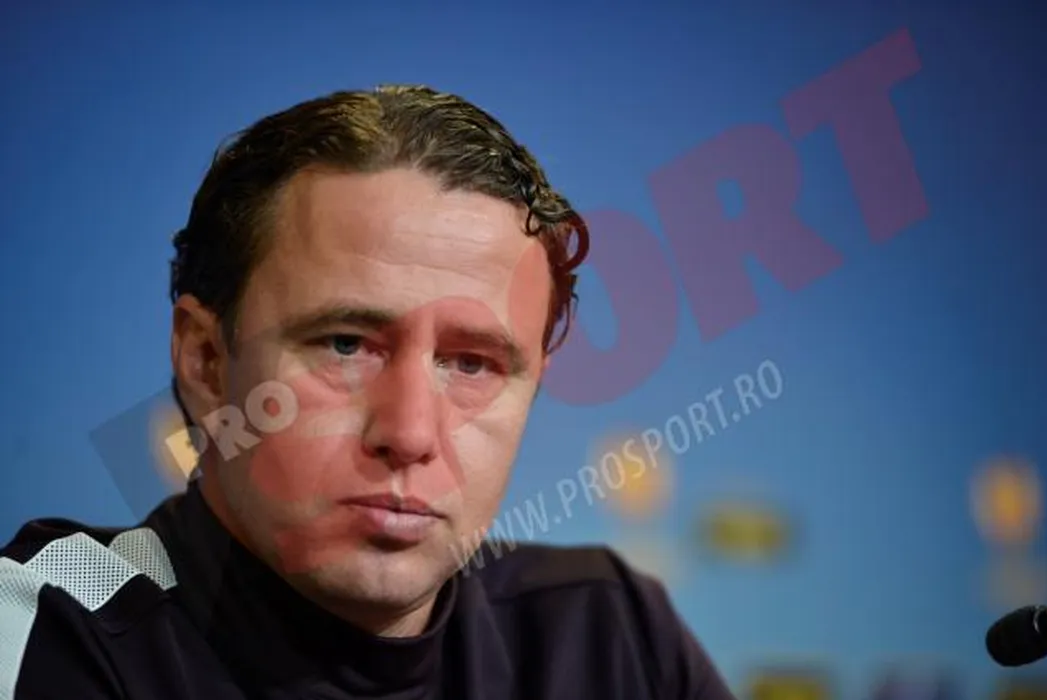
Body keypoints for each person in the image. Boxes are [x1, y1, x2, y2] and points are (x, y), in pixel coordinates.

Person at [0, 85, 736, 699]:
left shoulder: (611, 640)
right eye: (345, 345)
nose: (410, 434)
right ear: (206, 361)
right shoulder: (46, 627)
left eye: (471, 363)